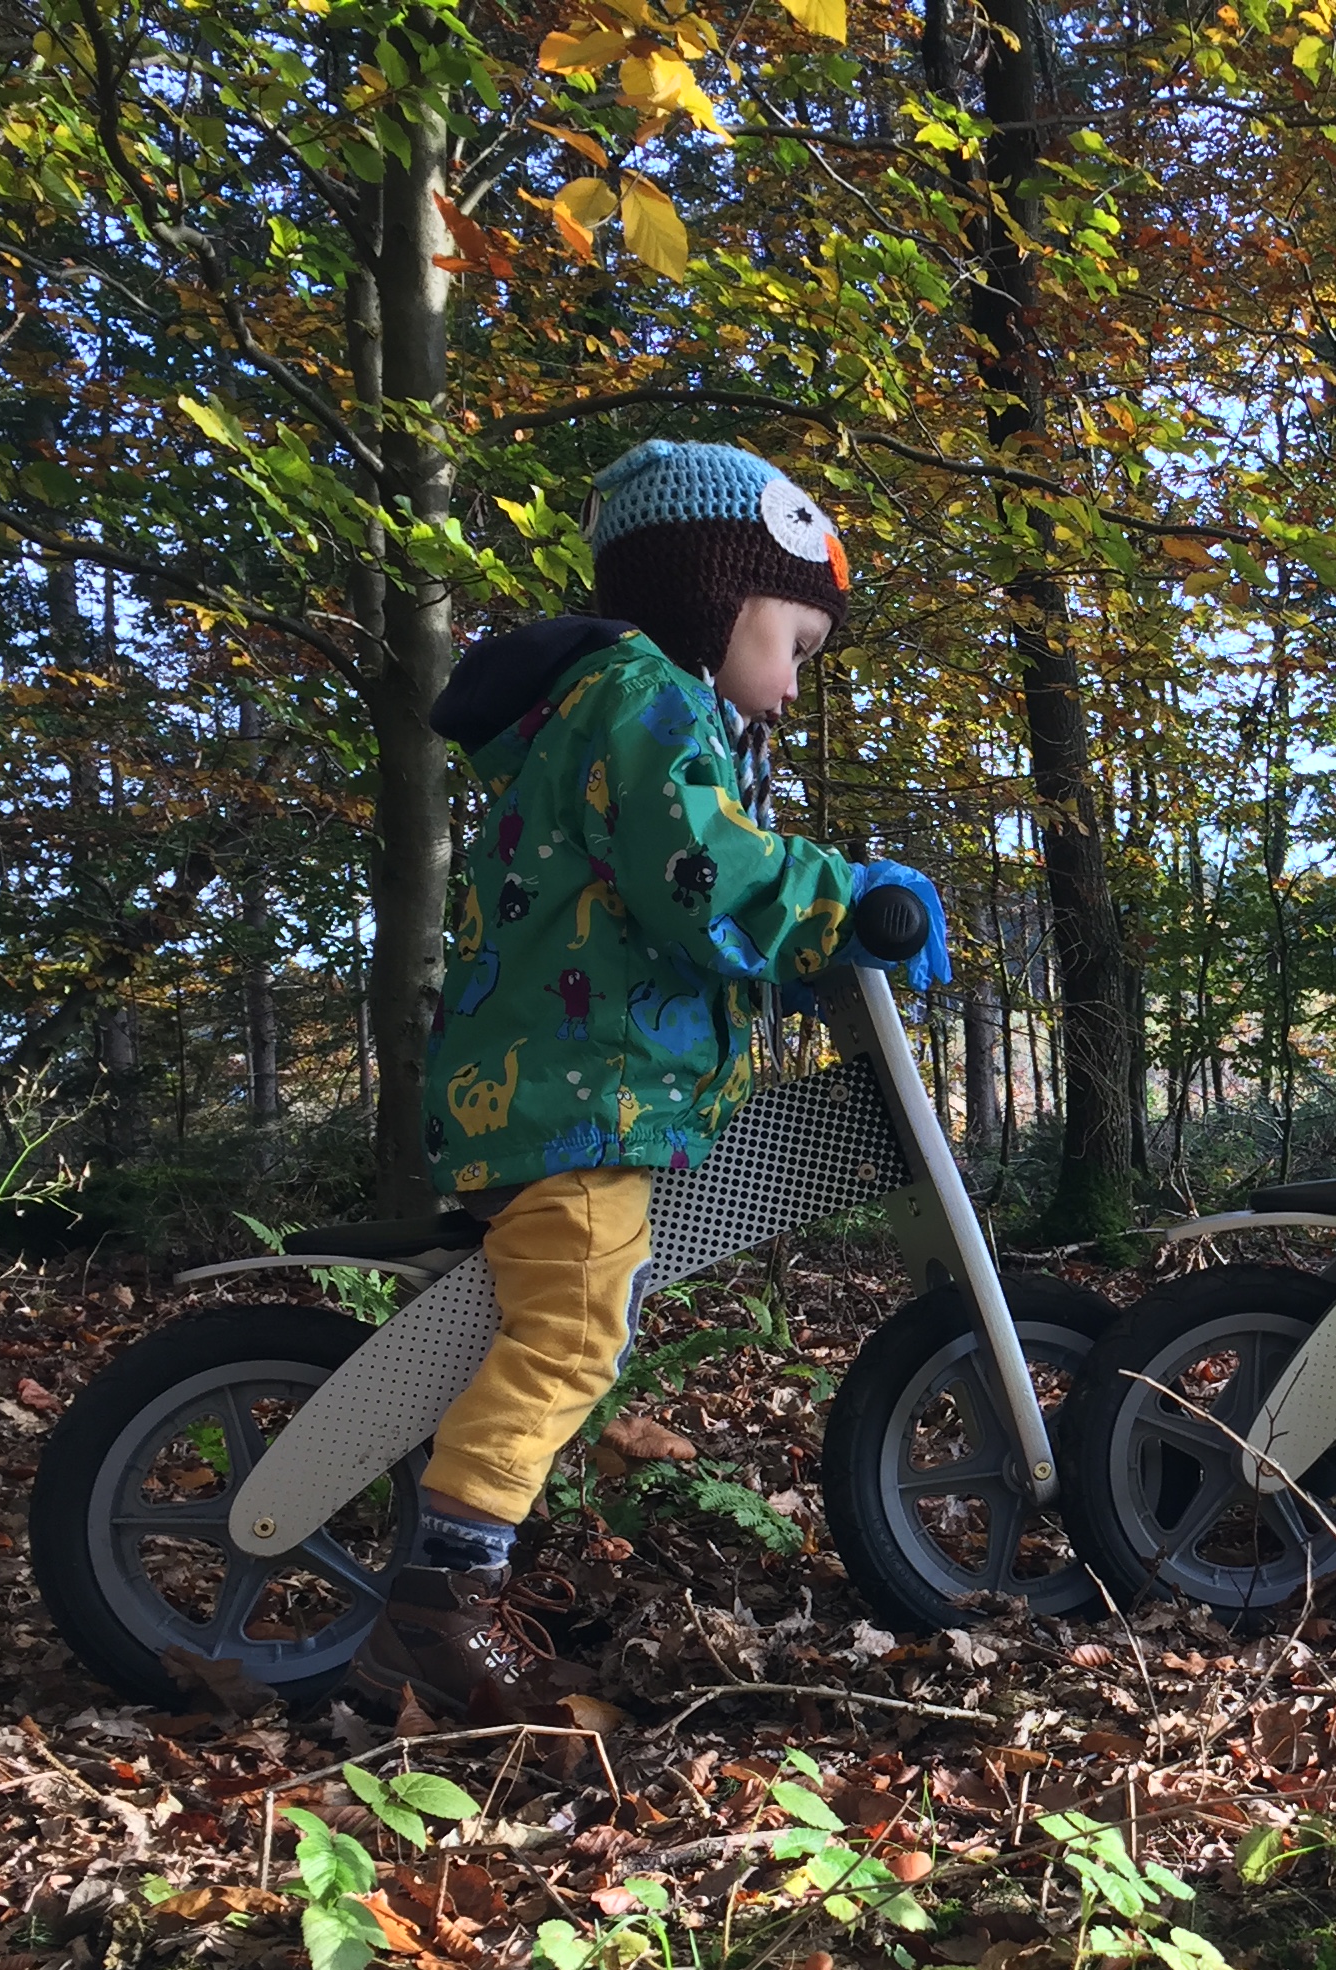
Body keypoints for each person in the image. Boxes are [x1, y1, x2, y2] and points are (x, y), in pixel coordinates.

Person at [354, 438, 943, 1725]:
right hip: (578, 1098)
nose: (791, 686)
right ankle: (434, 1614)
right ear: (715, 601)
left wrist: (774, 970)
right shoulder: (642, 696)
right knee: (571, 1332)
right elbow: (704, 869)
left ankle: (479, 1579)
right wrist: (851, 895)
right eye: (793, 642)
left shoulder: (607, 713)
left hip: (567, 1083)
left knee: (579, 1330)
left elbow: (642, 905)